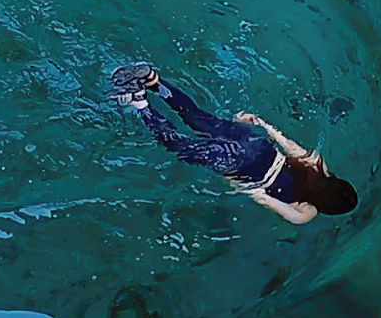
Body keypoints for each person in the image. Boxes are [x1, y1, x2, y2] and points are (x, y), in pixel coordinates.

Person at [110, 63, 357, 225]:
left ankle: (154, 81)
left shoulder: (320, 169)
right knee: (180, 147)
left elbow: (289, 146)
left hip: (257, 144)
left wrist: (262, 124)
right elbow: (262, 197)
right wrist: (234, 183)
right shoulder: (306, 214)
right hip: (241, 164)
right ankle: (139, 102)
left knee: (194, 116)